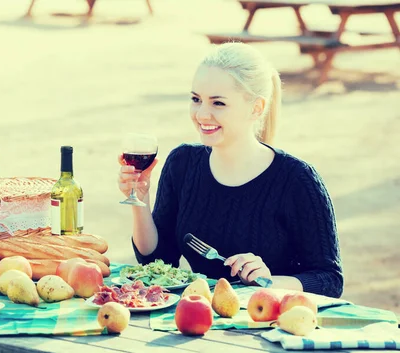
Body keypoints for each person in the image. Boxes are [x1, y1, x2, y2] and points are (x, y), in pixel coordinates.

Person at [118, 42, 343, 298]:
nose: (202, 114)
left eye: (218, 103)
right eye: (196, 99)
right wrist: (140, 200)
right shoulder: (182, 163)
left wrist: (269, 280)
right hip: (200, 318)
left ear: (256, 108)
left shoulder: (297, 180)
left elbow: (330, 280)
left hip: (268, 325)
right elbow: (157, 262)